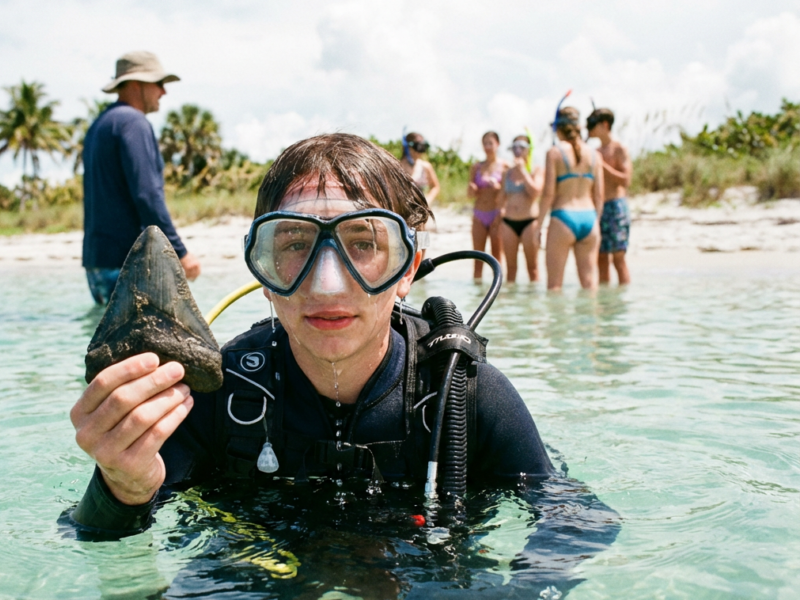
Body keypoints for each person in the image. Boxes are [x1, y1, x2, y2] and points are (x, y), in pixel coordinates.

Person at [62, 133, 617, 595]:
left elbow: (577, 520)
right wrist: (122, 483)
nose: (327, 285)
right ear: (263, 271)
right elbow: (95, 535)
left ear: (408, 269)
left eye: (363, 242)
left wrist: (525, 589)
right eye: (294, 244)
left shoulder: (463, 393)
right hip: (258, 563)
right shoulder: (221, 395)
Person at [82, 50, 201, 305]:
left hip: (98, 262)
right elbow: (147, 195)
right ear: (137, 84)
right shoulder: (133, 123)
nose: (163, 92)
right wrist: (179, 252)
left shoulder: (100, 125)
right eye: (159, 83)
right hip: (129, 263)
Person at [538, 107, 604, 290]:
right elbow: (599, 195)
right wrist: (596, 222)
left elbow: (548, 194)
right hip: (589, 218)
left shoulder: (554, 153)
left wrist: (539, 225)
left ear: (558, 129)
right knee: (590, 284)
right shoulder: (595, 155)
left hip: (563, 218)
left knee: (554, 286)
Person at [587, 108, 633, 285]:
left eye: (593, 124)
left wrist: (603, 166)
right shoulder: (594, 151)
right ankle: (605, 300)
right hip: (598, 207)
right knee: (601, 258)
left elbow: (626, 180)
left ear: (605, 125)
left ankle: (624, 297)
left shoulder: (619, 149)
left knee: (618, 258)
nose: (590, 129)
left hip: (616, 206)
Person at [498, 134, 544, 283]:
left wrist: (523, 171)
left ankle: (533, 296)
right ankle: (510, 298)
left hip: (529, 221)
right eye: (514, 148)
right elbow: (501, 198)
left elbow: (535, 192)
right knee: (510, 269)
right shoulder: (507, 172)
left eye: (521, 147)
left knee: (533, 268)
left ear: (529, 150)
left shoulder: (536, 170)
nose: (517, 151)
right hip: (509, 222)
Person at [467, 132, 507, 279]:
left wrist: (498, 187)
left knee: (497, 257)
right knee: (477, 257)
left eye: (490, 143)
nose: (487, 147)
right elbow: (469, 195)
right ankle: (477, 288)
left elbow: (509, 193)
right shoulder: (477, 166)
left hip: (496, 213)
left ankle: (498, 286)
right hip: (479, 213)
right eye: (485, 143)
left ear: (498, 144)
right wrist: (473, 189)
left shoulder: (505, 166)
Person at [400, 132, 440, 205]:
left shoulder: (425, 167)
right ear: (407, 147)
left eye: (422, 148)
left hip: (420, 207)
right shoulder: (397, 167)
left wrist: (427, 201)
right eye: (417, 147)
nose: (419, 152)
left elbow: (435, 187)